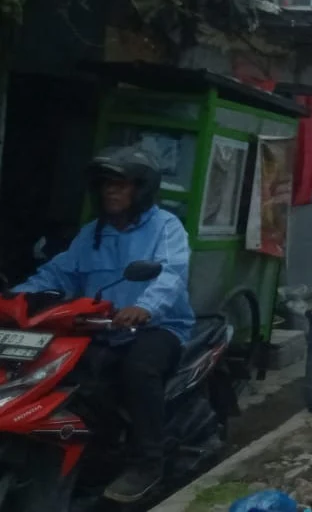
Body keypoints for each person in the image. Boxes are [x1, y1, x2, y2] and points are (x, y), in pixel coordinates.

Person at [13, 147, 195, 503]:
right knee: (63, 374)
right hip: (99, 328)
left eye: (121, 185)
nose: (111, 192)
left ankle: (148, 462)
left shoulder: (165, 227)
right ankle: (97, 449)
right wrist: (17, 297)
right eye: (107, 186)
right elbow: (59, 271)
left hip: (158, 327)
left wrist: (144, 307)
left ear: (140, 190)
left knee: (139, 369)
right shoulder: (92, 233)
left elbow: (172, 273)